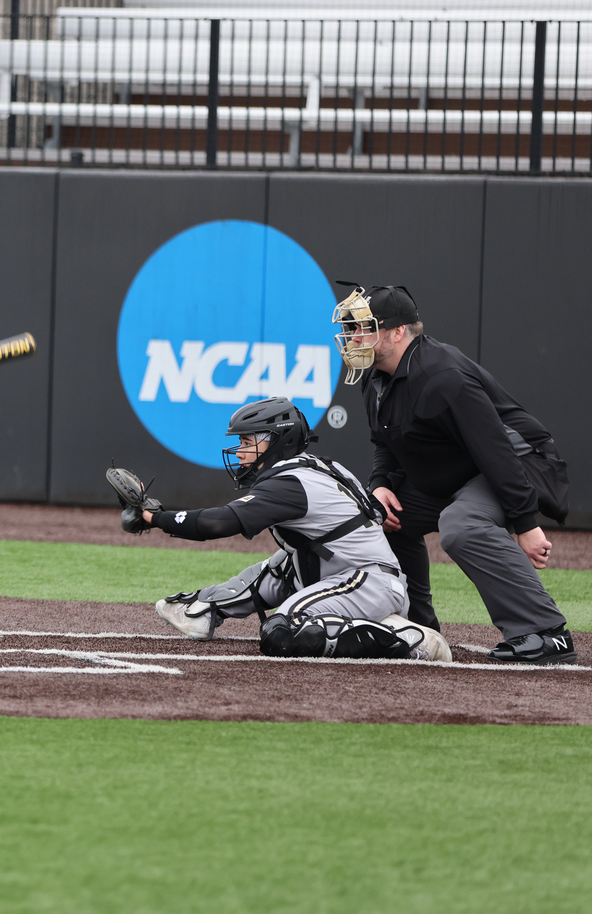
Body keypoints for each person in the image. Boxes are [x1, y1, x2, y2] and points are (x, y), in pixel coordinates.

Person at [334, 284, 576, 665]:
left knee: (462, 525)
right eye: (350, 328)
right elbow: (385, 443)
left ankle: (546, 633)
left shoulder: (440, 373)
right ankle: (417, 628)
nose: (352, 337)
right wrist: (380, 485)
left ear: (397, 332)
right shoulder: (375, 377)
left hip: (519, 463)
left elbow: (495, 448)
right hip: (462, 470)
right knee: (381, 518)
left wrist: (525, 524)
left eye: (362, 327)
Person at [127, 396, 452, 661]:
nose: (240, 451)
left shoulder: (289, 483)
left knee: (282, 633)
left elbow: (217, 523)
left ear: (276, 442)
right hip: (345, 572)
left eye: (247, 441)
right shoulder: (321, 467)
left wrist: (152, 517)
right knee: (282, 564)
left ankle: (403, 638)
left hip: (365, 583)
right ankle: (206, 608)